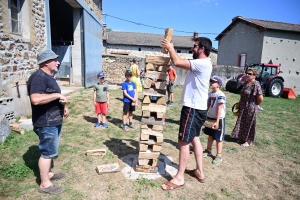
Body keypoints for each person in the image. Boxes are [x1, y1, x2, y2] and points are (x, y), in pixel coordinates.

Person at [160, 37, 213, 190]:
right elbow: (179, 59)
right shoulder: (203, 63)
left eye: (195, 46)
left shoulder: (202, 63)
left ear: (202, 48)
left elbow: (177, 62)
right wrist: (172, 50)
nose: (192, 48)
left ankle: (179, 178)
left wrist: (170, 47)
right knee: (195, 138)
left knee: (184, 142)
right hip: (199, 108)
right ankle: (199, 172)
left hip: (192, 109)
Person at [27, 49, 70, 195]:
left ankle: (49, 174)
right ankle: (45, 184)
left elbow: (52, 96)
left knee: (51, 151)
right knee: (47, 153)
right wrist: (58, 94)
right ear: (46, 62)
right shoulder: (38, 77)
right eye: (55, 60)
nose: (58, 62)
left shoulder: (49, 77)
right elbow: (36, 99)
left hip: (54, 120)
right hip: (46, 122)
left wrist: (64, 106)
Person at [231, 68, 263, 147]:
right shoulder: (246, 83)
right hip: (243, 106)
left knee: (249, 123)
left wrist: (255, 105)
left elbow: (260, 98)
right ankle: (242, 138)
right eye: (247, 73)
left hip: (251, 107)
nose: (247, 75)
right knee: (242, 122)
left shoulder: (256, 84)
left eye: (250, 74)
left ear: (254, 76)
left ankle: (249, 141)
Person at [202, 76, 226, 165]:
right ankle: (208, 150)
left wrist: (217, 121)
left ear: (219, 85)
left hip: (218, 119)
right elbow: (208, 106)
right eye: (211, 81)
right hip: (210, 117)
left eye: (213, 82)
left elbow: (219, 109)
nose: (211, 83)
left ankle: (218, 155)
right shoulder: (210, 94)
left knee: (218, 138)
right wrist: (204, 116)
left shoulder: (220, 95)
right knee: (210, 135)